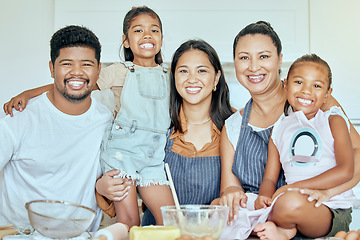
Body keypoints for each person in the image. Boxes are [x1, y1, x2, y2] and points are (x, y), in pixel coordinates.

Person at [2, 7, 175, 228]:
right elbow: (78, 83)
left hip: (153, 158)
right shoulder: (19, 118)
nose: (147, 35)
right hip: (122, 156)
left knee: (172, 220)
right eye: (138, 30)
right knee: (129, 222)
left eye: (154, 30)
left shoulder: (167, 77)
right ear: (126, 40)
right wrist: (28, 93)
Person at [214, 21, 360, 239]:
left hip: (317, 208)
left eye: (263, 56)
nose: (253, 66)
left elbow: (355, 156)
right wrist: (231, 194)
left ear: (280, 59)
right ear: (234, 62)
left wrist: (328, 192)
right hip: (269, 209)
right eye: (244, 57)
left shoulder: (314, 101)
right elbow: (229, 190)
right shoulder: (234, 126)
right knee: (217, 209)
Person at [96, 39, 234, 225]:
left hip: (215, 234)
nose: (192, 79)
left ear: (216, 78)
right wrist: (101, 188)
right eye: (183, 71)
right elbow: (125, 165)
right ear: (173, 77)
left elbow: (247, 190)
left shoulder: (234, 127)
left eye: (202, 70)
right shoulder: (157, 127)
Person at [0, 25, 112, 231]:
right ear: (52, 68)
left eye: (86, 64)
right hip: (19, 235)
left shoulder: (107, 120)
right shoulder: (18, 118)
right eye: (66, 63)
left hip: (82, 236)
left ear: (99, 69)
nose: (77, 72)